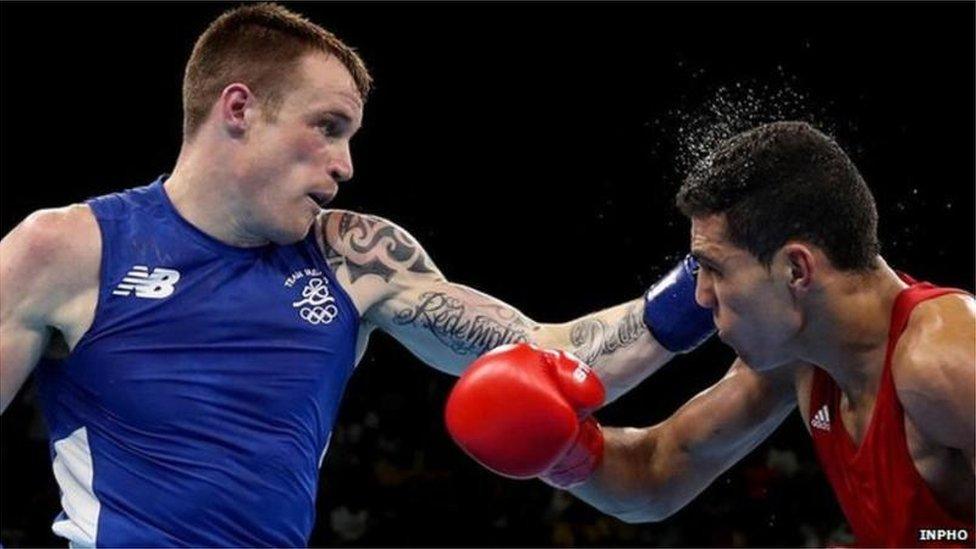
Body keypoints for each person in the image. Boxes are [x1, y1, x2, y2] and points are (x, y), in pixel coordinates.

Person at [0, 3, 713, 546]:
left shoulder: (354, 257)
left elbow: (555, 361)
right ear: (240, 109)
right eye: (329, 127)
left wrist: (702, 280)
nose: (346, 165)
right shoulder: (67, 249)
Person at [446, 121, 975, 547]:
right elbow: (656, 473)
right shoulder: (800, 357)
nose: (700, 296)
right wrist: (564, 450)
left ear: (796, 270)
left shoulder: (947, 363)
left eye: (714, 268)